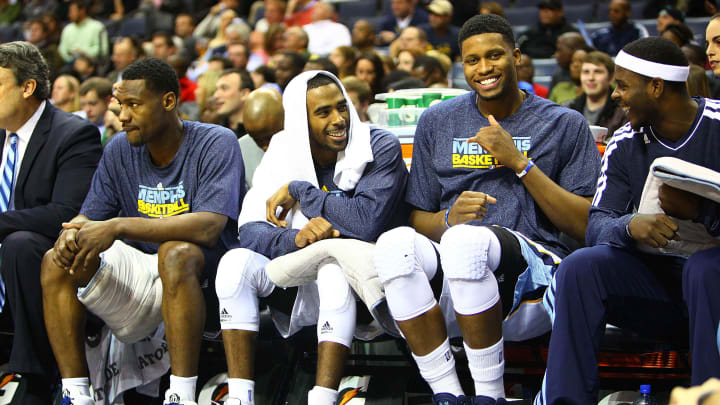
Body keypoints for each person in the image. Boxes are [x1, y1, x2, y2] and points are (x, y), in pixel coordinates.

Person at [374, 14, 600, 405]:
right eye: (473, 60)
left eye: (494, 56)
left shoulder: (564, 123)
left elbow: (586, 226)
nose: (484, 69)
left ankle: (489, 397)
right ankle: (448, 394)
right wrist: (447, 219)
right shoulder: (438, 120)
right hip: (455, 275)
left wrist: (520, 163)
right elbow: (414, 216)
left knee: (466, 242)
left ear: (516, 57)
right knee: (395, 244)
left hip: (535, 276)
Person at [40, 58, 245, 405]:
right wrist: (72, 233)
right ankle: (76, 393)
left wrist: (119, 225)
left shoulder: (216, 142)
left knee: (175, 253)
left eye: (134, 105)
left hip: (203, 274)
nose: (123, 117)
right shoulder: (119, 148)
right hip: (140, 271)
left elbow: (209, 227)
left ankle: (181, 395)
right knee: (55, 259)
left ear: (168, 101)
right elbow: (90, 216)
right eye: (121, 106)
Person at [535, 36, 720, 405]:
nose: (615, 94)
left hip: (712, 281)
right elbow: (598, 223)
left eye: (623, 85)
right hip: (662, 288)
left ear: (655, 87)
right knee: (581, 267)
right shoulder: (624, 140)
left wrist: (701, 212)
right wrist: (630, 226)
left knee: (703, 268)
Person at [215, 70, 408, 405]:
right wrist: (297, 240)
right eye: (323, 113)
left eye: (342, 107)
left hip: (371, 284)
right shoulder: (283, 149)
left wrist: (300, 191)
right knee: (234, 264)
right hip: (298, 271)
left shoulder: (379, 145)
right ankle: (240, 397)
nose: (339, 120)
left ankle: (323, 397)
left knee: (332, 264)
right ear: (300, 123)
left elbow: (365, 223)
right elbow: (250, 229)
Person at [0, 41, 101, 405]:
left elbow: (67, 212)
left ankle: (36, 375)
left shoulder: (73, 133)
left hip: (51, 259)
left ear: (27, 87)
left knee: (20, 243)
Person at [567, 51, 627, 140]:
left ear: (611, 78)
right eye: (586, 72)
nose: (591, 78)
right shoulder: (568, 109)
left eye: (598, 72)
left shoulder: (623, 113)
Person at [239, 87, 283, 189]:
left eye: (269, 137)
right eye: (256, 139)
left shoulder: (307, 144)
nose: (265, 147)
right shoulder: (241, 150)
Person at [78, 76, 121, 145]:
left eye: (92, 103)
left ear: (108, 100)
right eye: (83, 104)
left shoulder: (120, 122)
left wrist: (118, 127)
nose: (87, 110)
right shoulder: (76, 119)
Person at [214, 69, 256, 138]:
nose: (216, 95)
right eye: (217, 89)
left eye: (224, 88)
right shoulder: (214, 131)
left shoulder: (260, 134)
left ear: (244, 94)